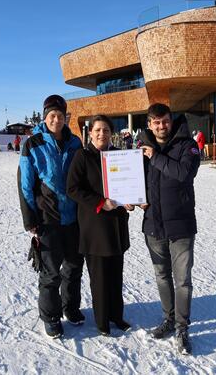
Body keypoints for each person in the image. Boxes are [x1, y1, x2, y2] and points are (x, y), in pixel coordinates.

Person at [17, 94, 85, 339]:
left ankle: (71, 308)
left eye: (60, 115)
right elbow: (25, 184)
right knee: (51, 273)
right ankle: (51, 316)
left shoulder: (75, 142)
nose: (56, 119)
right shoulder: (32, 144)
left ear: (66, 117)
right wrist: (30, 220)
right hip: (48, 218)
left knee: (74, 267)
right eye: (51, 115)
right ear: (45, 117)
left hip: (74, 217)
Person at [137, 103, 200, 355]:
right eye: (156, 122)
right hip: (153, 224)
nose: (161, 126)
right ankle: (168, 319)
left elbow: (184, 173)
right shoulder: (141, 150)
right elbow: (135, 180)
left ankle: (182, 327)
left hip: (181, 225)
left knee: (182, 280)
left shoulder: (188, 145)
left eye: (165, 121)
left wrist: (156, 156)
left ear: (171, 121)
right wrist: (133, 197)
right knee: (161, 276)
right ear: (149, 124)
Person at [66, 115, 132, 336]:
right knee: (100, 278)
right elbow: (73, 188)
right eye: (97, 130)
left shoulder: (118, 156)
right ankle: (102, 322)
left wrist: (130, 200)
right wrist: (100, 202)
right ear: (90, 133)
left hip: (116, 225)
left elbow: (128, 184)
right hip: (95, 227)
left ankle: (117, 316)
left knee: (116, 275)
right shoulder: (82, 156)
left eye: (105, 130)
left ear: (111, 133)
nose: (101, 134)